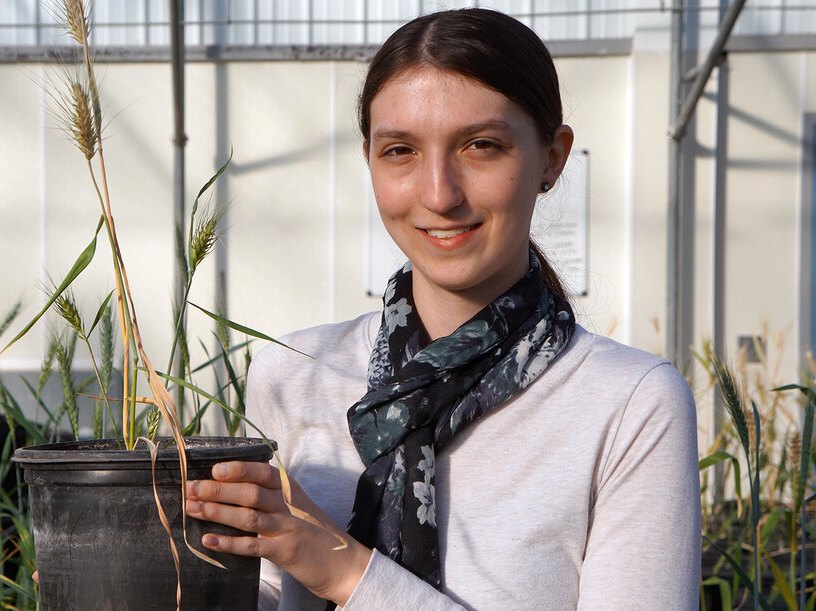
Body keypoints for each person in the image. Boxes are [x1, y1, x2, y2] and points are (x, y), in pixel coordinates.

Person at [184, 7, 701, 610]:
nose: (439, 194)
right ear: (370, 160)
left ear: (553, 157)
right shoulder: (295, 373)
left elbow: (328, 573)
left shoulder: (630, 402)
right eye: (400, 150)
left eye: (481, 146)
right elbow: (272, 598)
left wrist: (345, 570)